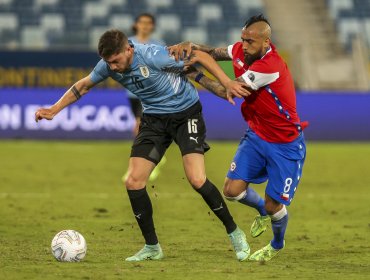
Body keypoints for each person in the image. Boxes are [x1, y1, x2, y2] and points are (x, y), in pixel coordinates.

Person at [34, 29, 252, 262]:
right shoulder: (107, 66)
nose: (113, 67)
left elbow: (199, 56)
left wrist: (226, 81)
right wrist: (54, 109)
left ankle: (234, 232)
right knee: (133, 181)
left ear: (129, 49)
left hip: (186, 115)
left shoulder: (154, 55)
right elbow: (83, 85)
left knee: (197, 179)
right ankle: (152, 247)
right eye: (109, 62)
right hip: (153, 120)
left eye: (116, 61)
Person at [169, 14, 308, 262]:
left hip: (285, 144)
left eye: (250, 42)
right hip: (257, 134)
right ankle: (261, 213)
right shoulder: (240, 50)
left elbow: (227, 92)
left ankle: (277, 244)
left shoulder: (269, 67)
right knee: (232, 190)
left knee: (274, 205)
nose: (244, 45)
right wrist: (192, 45)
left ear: (266, 42)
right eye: (243, 39)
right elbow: (213, 51)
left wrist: (196, 75)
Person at [126, 13, 166, 181]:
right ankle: (154, 158)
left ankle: (140, 166)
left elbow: (165, 67)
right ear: (136, 24)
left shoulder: (158, 45)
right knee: (140, 129)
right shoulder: (127, 43)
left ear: (152, 26)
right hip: (133, 93)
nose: (145, 25)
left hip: (151, 93)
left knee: (139, 127)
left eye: (148, 23)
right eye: (142, 22)